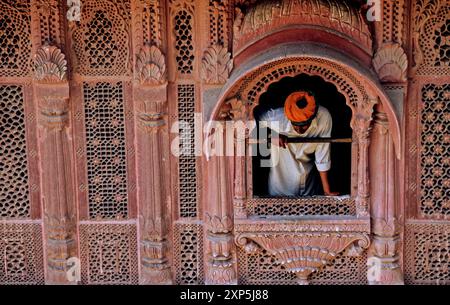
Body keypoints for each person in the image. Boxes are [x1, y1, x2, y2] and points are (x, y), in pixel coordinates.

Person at [258, 90, 339, 197]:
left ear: (313, 117)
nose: (299, 130)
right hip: (280, 188)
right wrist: (271, 135)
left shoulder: (323, 117)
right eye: (295, 125)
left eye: (304, 125)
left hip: (309, 185)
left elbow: (323, 154)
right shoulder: (276, 117)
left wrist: (327, 191)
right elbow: (254, 117)